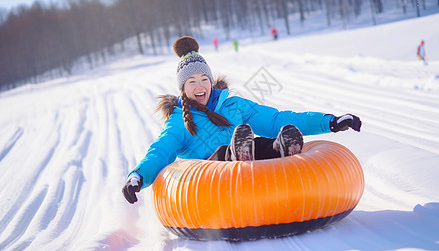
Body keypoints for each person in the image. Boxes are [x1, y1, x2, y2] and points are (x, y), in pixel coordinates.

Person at [122, 36, 362, 204]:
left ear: (210, 80)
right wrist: (138, 177)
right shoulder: (178, 121)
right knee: (222, 152)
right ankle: (235, 154)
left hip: (250, 172)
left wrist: (330, 122)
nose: (199, 86)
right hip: (210, 180)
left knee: (261, 141)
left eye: (203, 79)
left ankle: (281, 149)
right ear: (183, 88)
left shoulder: (233, 105)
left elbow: (276, 119)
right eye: (191, 81)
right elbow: (160, 151)